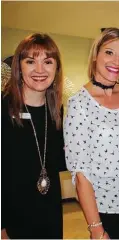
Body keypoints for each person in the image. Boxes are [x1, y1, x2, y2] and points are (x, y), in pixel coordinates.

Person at [64, 27, 119, 239]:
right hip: (105, 212)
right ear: (96, 55)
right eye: (109, 52)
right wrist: (97, 229)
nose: (116, 62)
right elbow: (80, 175)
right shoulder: (79, 104)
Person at [1, 33, 66, 239]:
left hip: (50, 217)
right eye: (31, 61)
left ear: (56, 69)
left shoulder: (56, 111)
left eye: (47, 61)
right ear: (19, 68)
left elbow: (56, 161)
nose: (40, 70)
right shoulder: (4, 109)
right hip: (12, 223)